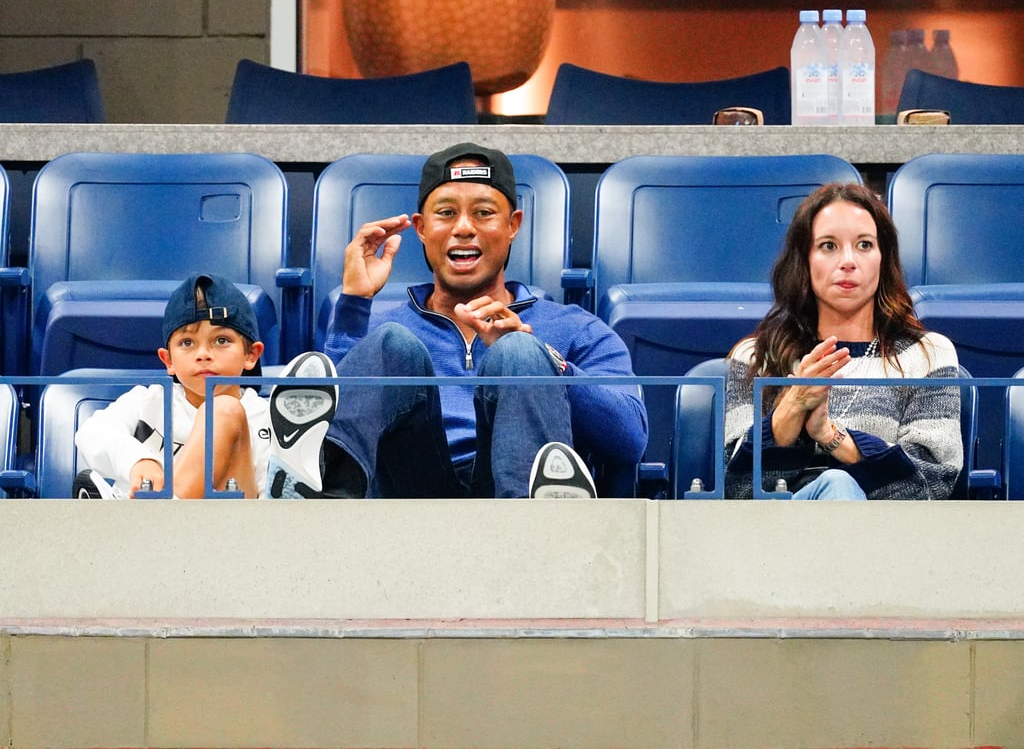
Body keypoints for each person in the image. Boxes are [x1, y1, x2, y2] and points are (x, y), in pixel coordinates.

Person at [266, 142, 648, 500]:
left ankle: (540, 518)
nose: (463, 227)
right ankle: (320, 490)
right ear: (421, 228)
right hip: (408, 496)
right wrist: (354, 303)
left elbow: (631, 437)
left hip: (514, 494)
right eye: (446, 213)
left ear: (513, 225)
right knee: (390, 344)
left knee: (520, 352)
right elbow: (339, 410)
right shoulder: (381, 330)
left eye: (483, 213)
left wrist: (550, 362)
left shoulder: (575, 327)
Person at [723, 182, 962, 500]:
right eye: (828, 246)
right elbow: (739, 492)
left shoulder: (928, 355)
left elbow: (933, 488)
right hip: (779, 535)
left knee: (839, 484)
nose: (848, 261)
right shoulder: (757, 357)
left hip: (890, 536)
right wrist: (793, 408)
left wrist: (831, 437)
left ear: (882, 258)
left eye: (864, 245)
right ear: (804, 260)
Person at [75, 273, 276, 499]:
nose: (203, 354)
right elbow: (91, 434)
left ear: (251, 354)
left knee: (224, 410)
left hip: (225, 527)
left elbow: (266, 505)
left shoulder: (267, 418)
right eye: (187, 343)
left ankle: (159, 513)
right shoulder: (147, 401)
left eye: (221, 340)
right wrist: (139, 461)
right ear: (168, 360)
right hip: (145, 528)